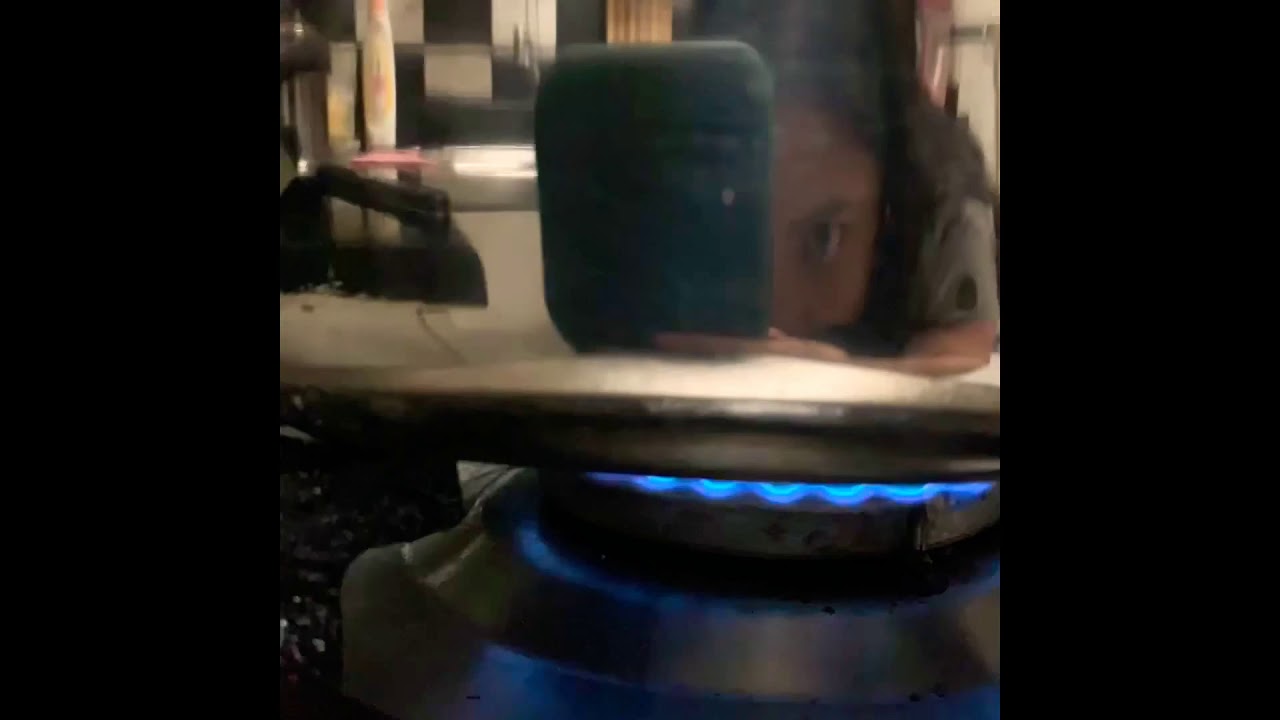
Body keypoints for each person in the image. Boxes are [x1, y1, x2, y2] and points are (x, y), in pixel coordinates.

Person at [656, 0, 999, 377]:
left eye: (823, 238)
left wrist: (829, 377)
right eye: (739, 230)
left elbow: (962, 372)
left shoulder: (941, 188)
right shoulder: (669, 181)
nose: (780, 308)